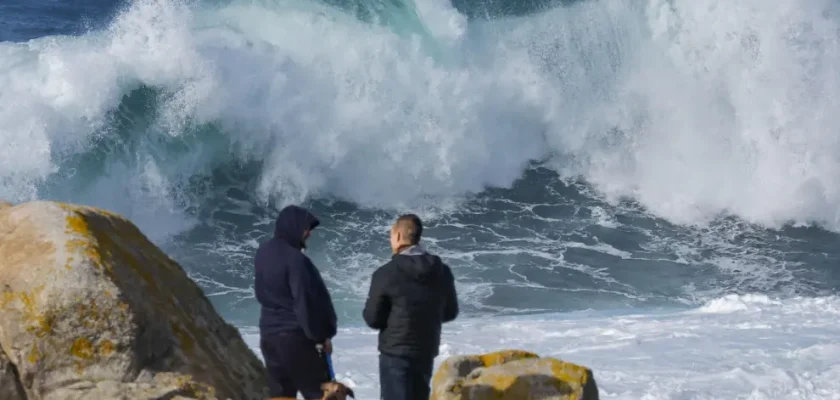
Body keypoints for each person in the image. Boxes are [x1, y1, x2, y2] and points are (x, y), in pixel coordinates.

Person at [363, 214, 459, 400]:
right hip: (426, 349)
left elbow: (372, 319)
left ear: (398, 236)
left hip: (395, 352)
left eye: (391, 235)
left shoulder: (385, 273)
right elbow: (450, 312)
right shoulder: (442, 271)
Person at [254, 205, 338, 399]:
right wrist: (322, 337)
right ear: (292, 226)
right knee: (320, 394)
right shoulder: (296, 261)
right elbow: (306, 305)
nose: (308, 233)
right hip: (295, 339)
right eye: (305, 228)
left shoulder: (263, 253)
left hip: (268, 338)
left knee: (281, 395)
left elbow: (260, 293)